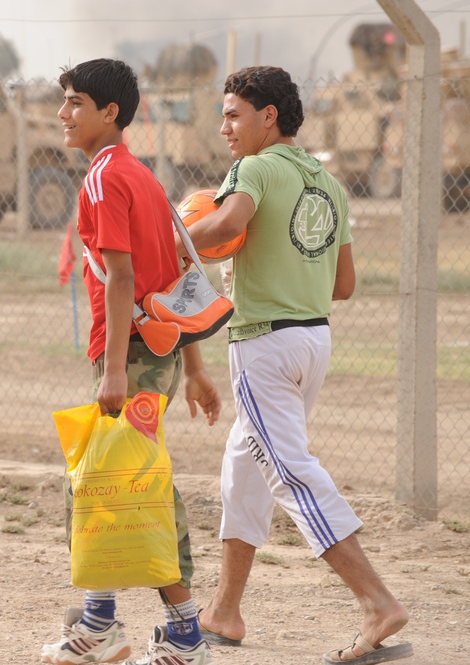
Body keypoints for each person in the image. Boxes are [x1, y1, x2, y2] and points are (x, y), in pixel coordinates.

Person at [181, 65, 413, 665]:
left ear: (269, 117)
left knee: (288, 470)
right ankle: (224, 612)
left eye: (234, 114)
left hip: (263, 345)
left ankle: (376, 601)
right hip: (313, 341)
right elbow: (345, 284)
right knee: (245, 468)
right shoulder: (328, 183)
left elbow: (229, 222)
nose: (225, 126)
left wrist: (173, 237)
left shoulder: (254, 169)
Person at [41, 58, 222, 665]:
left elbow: (123, 279)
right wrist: (194, 370)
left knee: (127, 484)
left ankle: (178, 631)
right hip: (158, 350)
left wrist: (115, 367)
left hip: (133, 354)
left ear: (109, 112)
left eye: (74, 102)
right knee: (115, 481)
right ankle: (103, 622)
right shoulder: (143, 178)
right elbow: (176, 280)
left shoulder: (102, 179)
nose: (62, 114)